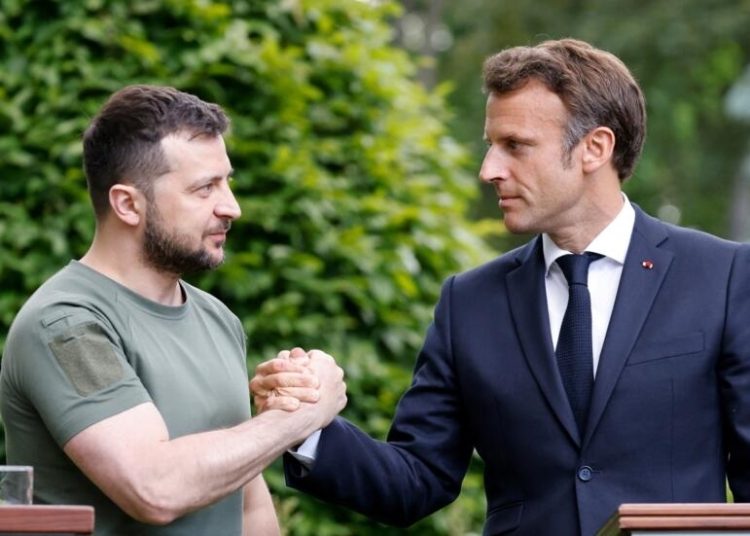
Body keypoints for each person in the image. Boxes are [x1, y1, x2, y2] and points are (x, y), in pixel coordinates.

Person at [249, 38, 750, 535]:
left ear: (594, 148)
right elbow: (416, 479)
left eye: (516, 146)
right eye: (491, 145)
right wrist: (305, 427)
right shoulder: (468, 302)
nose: (489, 170)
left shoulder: (723, 276)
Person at [0, 85, 347, 535]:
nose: (232, 207)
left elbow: (248, 506)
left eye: (227, 181)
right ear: (128, 204)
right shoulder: (67, 325)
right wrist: (301, 415)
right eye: (204, 188)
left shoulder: (218, 319)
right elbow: (154, 488)